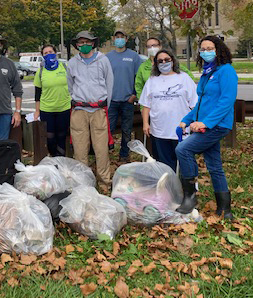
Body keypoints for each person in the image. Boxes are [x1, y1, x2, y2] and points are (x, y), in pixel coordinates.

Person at [176, 35, 238, 219]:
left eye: (210, 48)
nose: (206, 52)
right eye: (202, 49)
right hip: (206, 124)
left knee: (183, 149)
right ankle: (225, 209)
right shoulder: (208, 72)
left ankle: (190, 197)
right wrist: (186, 120)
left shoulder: (226, 71)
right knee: (214, 166)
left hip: (217, 125)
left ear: (219, 50)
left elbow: (226, 101)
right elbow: (201, 103)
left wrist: (206, 123)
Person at [67, 30, 114, 192]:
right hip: (79, 109)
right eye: (81, 42)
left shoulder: (103, 60)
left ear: (93, 43)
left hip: (98, 110)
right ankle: (83, 183)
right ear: (77, 45)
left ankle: (104, 182)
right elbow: (70, 86)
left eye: (87, 42)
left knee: (101, 148)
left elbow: (109, 83)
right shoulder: (72, 63)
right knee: (80, 150)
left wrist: (104, 104)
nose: (84, 45)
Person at [140, 49, 197, 171]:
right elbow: (146, 105)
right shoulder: (152, 80)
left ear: (173, 61)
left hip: (181, 128)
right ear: (155, 64)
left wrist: (195, 122)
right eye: (160, 61)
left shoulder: (184, 78)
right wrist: (145, 123)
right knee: (164, 162)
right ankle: (167, 184)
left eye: (167, 60)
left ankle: (187, 185)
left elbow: (194, 104)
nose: (164, 63)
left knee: (184, 160)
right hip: (159, 129)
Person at [106, 30, 141, 162]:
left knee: (127, 130)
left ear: (126, 39)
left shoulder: (133, 56)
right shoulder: (107, 57)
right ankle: (106, 154)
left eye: (122, 37)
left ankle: (124, 155)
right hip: (112, 101)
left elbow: (138, 78)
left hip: (128, 100)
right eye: (117, 37)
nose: (119, 39)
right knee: (108, 128)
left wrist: (134, 95)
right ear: (113, 39)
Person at [34, 44, 71, 156]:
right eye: (46, 53)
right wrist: (37, 110)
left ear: (55, 53)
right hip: (47, 109)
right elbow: (37, 93)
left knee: (61, 136)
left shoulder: (64, 67)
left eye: (51, 51)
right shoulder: (40, 71)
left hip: (64, 108)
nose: (49, 54)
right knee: (50, 138)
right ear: (42, 56)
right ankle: (54, 158)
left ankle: (61, 162)